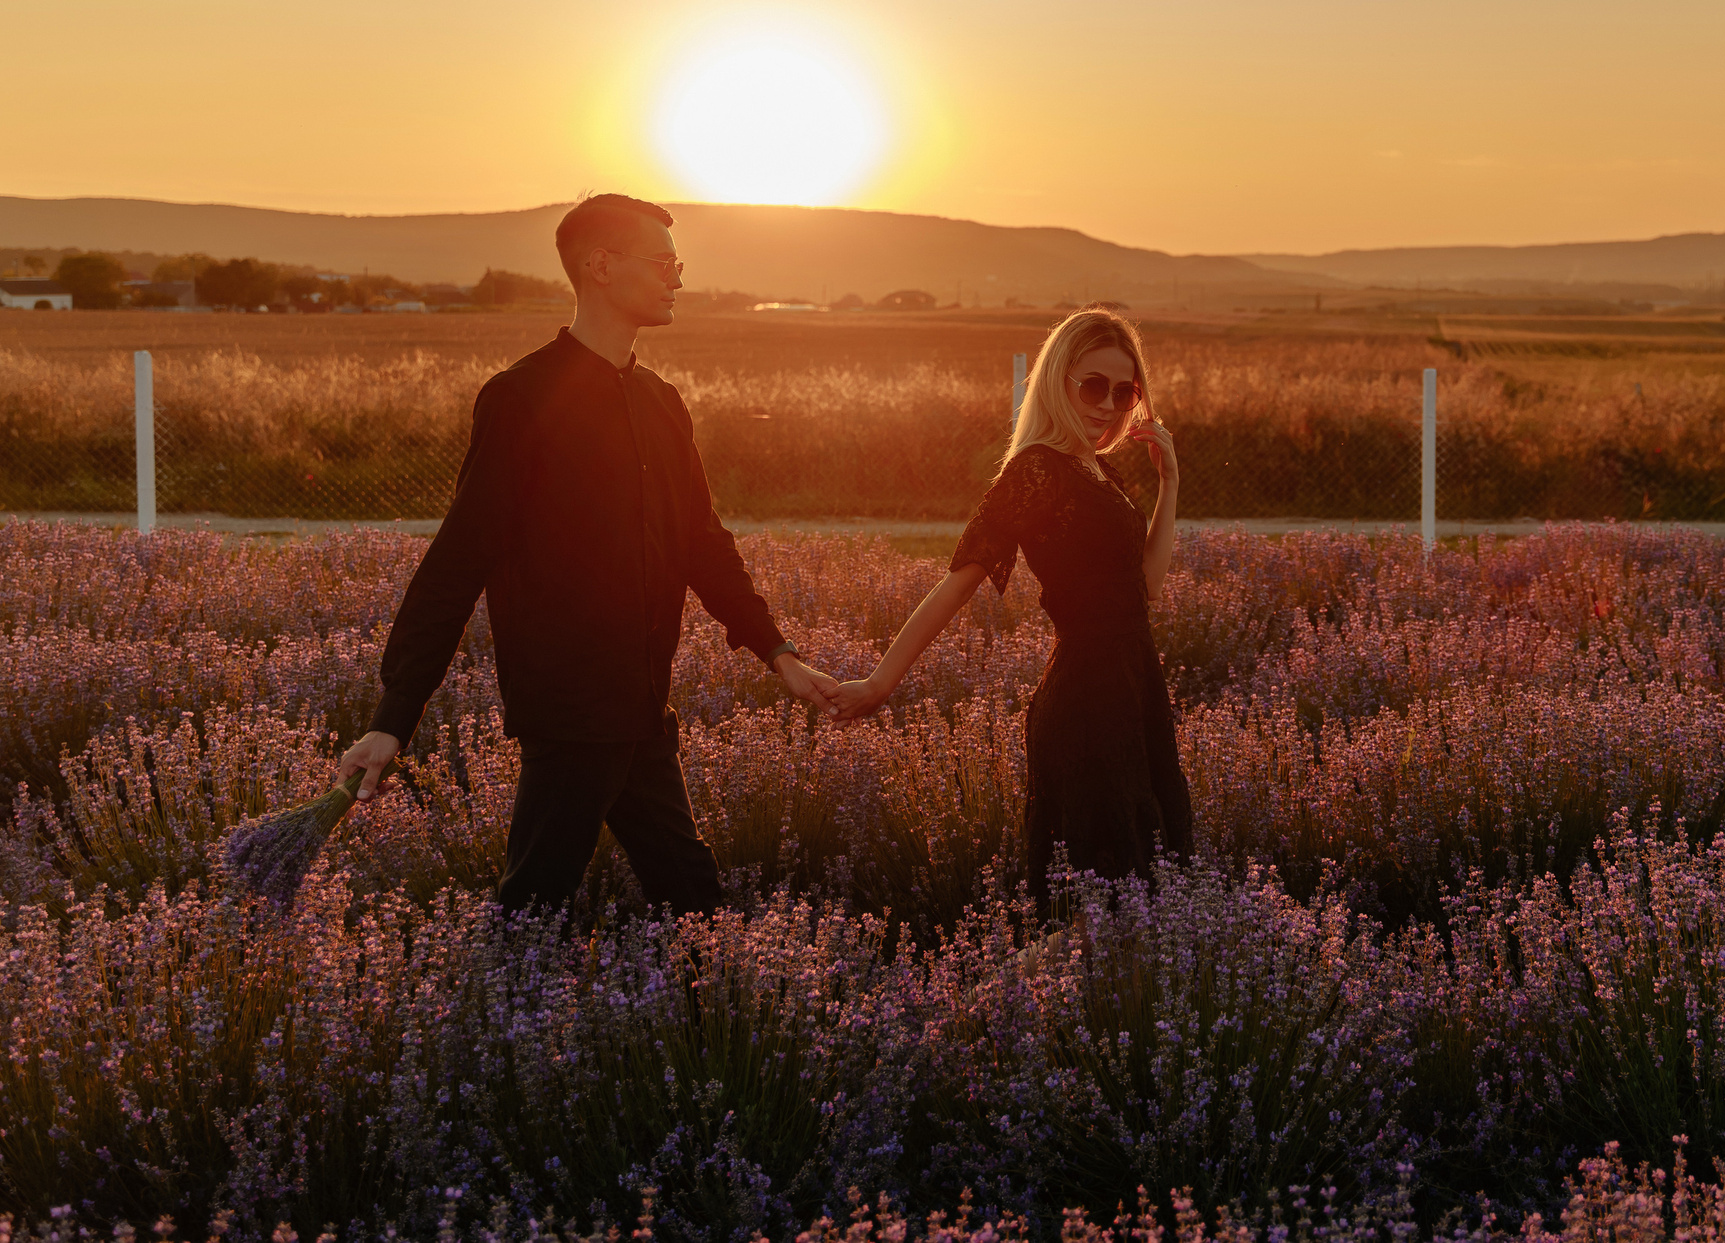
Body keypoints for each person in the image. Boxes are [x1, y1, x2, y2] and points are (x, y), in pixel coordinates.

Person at [334, 193, 840, 917]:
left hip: (640, 707)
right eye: (664, 262)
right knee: (538, 906)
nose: (677, 278)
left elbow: (704, 545)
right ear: (601, 266)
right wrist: (393, 715)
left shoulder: (664, 403)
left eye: (679, 264)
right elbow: (456, 563)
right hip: (569, 712)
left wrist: (780, 652)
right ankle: (497, 1025)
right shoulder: (521, 397)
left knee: (687, 898)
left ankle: (711, 1019)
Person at [833, 309, 1191, 912]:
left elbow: (1145, 591)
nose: (1109, 404)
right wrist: (879, 681)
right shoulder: (1035, 471)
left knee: (1141, 894)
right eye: (1093, 385)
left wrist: (1170, 485)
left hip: (1135, 692)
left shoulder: (1099, 472)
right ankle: (980, 1007)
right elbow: (959, 581)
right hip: (1086, 702)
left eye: (1125, 391)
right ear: (1058, 380)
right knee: (1100, 907)